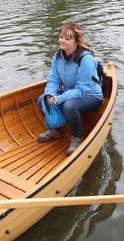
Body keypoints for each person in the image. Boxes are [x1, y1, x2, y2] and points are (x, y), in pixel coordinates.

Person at [36, 22, 104, 155]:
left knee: (69, 106)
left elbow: (81, 90)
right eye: (61, 37)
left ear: (76, 41)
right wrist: (50, 95)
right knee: (41, 100)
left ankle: (77, 136)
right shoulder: (57, 56)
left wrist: (59, 98)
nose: (62, 41)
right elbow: (53, 80)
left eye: (67, 38)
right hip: (70, 92)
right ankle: (57, 131)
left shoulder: (86, 59)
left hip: (91, 95)